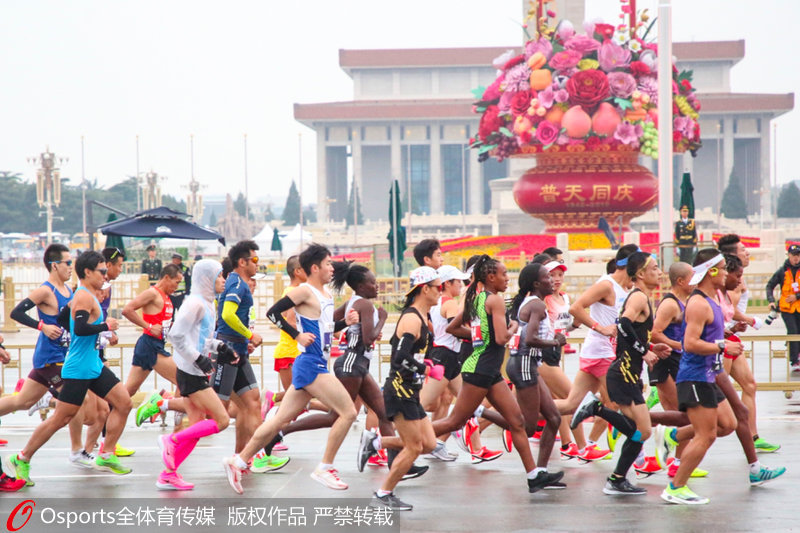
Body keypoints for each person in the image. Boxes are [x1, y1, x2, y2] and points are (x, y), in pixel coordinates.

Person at [223, 243, 357, 493]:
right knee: (348, 412)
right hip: (312, 365)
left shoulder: (326, 295)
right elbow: (273, 313)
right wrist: (297, 336)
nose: (332, 268)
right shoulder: (304, 291)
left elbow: (325, 330)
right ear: (314, 268)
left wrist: (344, 323)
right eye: (328, 264)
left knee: (279, 421)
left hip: (313, 364)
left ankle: (238, 461)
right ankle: (325, 468)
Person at [431, 255, 564, 493]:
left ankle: (534, 475)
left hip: (489, 370)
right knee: (454, 422)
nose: (507, 278)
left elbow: (454, 328)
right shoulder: (494, 300)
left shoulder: (477, 298)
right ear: (491, 277)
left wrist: (480, 336)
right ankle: (392, 442)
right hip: (480, 369)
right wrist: (513, 326)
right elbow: (502, 338)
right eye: (503, 274)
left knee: (517, 423)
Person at [3, 251, 133, 485]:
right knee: (61, 419)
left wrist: (76, 330)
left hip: (93, 364)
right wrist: (105, 326)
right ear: (88, 272)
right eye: (102, 271)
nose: (105, 275)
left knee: (123, 403)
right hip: (78, 368)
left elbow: (64, 320)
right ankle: (22, 457)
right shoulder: (83, 296)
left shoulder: (81, 296)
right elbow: (81, 329)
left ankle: (106, 454)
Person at [571, 252, 671, 495]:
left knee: (639, 431)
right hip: (624, 372)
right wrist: (644, 352)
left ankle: (617, 479)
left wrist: (649, 347)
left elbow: (630, 332)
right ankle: (598, 411)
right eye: (654, 268)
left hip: (627, 372)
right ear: (640, 274)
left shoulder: (639, 296)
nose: (659, 272)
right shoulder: (638, 297)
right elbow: (623, 325)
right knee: (642, 431)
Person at [660, 249, 740, 505]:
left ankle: (672, 436)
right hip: (695, 376)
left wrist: (725, 336)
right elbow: (690, 343)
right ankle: (675, 487)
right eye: (723, 268)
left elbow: (707, 335)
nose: (726, 272)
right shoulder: (698, 303)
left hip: (709, 374)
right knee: (706, 435)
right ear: (711, 271)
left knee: (728, 424)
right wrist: (722, 346)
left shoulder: (712, 300)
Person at [555, 245, 641, 461]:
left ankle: (516, 415)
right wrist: (600, 328)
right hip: (602, 352)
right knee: (624, 404)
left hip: (597, 353)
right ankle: (639, 458)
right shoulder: (606, 285)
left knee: (571, 404)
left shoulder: (626, 289)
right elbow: (576, 308)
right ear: (631, 264)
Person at [366, 267, 440, 511]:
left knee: (429, 444)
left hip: (411, 390)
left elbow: (412, 353)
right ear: (424, 289)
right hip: (400, 390)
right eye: (438, 287)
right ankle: (383, 494)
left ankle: (376, 443)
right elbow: (399, 357)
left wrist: (426, 363)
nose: (440, 292)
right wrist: (424, 369)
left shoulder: (423, 317)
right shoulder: (411, 319)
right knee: (414, 447)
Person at [158, 259, 232, 490]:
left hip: (194, 369)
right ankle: (171, 439)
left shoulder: (207, 303)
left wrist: (220, 347)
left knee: (196, 428)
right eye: (220, 276)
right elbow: (175, 335)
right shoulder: (195, 304)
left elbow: (200, 339)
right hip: (191, 372)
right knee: (222, 420)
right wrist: (197, 358)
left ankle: (168, 475)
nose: (224, 280)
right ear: (207, 279)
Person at [507, 262, 566, 488]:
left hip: (528, 363)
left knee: (554, 418)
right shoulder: (537, 305)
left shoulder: (534, 303)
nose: (551, 281)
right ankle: (477, 413)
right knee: (528, 427)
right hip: (524, 363)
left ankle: (541, 472)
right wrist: (555, 342)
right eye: (547, 278)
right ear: (536, 284)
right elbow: (530, 339)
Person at [213, 240, 263, 455]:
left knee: (252, 402)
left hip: (239, 350)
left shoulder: (240, 283)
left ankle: (245, 456)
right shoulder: (236, 284)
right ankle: (164, 404)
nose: (257, 264)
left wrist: (245, 339)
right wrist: (250, 335)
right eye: (254, 259)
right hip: (227, 351)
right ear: (242, 262)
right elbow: (227, 315)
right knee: (216, 411)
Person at [419, 265, 471, 461]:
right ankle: (387, 439)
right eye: (458, 282)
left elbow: (436, 327)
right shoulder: (449, 304)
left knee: (467, 403)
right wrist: (480, 335)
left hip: (447, 356)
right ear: (447, 283)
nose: (461, 285)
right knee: (420, 405)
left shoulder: (437, 301)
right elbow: (454, 329)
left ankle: (439, 442)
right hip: (444, 358)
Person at [122, 264, 185, 425]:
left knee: (127, 392)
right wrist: (148, 326)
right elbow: (127, 310)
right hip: (150, 345)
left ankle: (104, 415)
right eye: (176, 282)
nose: (177, 287)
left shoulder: (167, 297)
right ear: (166, 277)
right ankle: (176, 424)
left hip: (152, 346)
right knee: (183, 379)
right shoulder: (152, 293)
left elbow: (163, 323)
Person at [540, 260, 585, 458]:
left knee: (557, 402)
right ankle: (583, 447)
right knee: (573, 399)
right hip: (544, 355)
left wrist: (575, 325)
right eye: (552, 275)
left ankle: (567, 444)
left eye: (560, 275)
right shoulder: (543, 300)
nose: (556, 279)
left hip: (556, 353)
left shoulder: (565, 297)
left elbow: (563, 328)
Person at [264, 255, 307, 414]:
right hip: (290, 352)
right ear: (297, 272)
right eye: (306, 268)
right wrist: (306, 334)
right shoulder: (294, 292)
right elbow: (291, 321)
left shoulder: (293, 291)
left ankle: (272, 398)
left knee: (297, 399)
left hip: (293, 351)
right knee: (295, 401)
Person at [766, 244, 800, 372]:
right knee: (793, 331)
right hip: (787, 308)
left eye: (798, 255)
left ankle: (797, 353)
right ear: (789, 255)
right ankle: (794, 359)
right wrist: (771, 301)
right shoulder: (782, 271)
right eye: (794, 255)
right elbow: (770, 286)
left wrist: (796, 296)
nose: (796, 258)